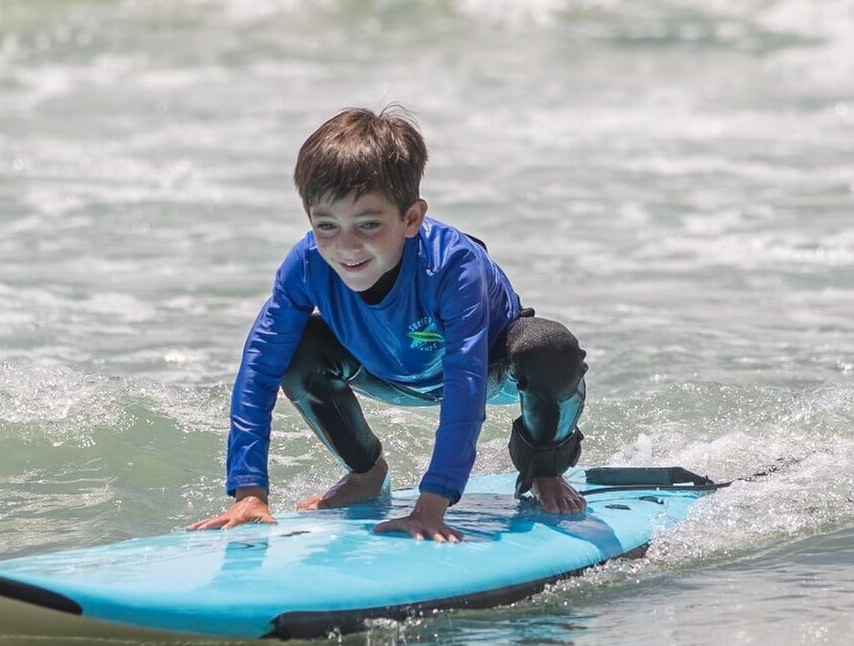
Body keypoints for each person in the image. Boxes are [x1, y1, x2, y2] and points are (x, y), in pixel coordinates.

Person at [188, 106, 588, 542]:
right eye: (327, 225)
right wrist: (249, 491)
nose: (346, 246)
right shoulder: (304, 266)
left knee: (550, 347)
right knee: (296, 348)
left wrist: (433, 502)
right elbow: (258, 371)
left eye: (369, 224)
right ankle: (366, 473)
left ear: (411, 218)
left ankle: (544, 466)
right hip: (384, 371)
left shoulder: (454, 267)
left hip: (490, 370)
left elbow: (465, 384)